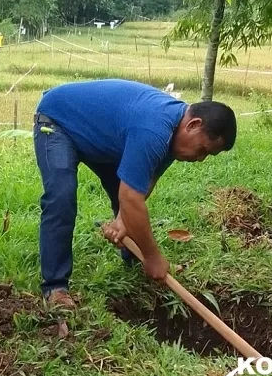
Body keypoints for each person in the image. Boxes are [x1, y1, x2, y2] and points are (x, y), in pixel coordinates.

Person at [32, 79, 237, 308]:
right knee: (61, 196)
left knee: (126, 202)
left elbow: (145, 182)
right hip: (58, 121)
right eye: (202, 150)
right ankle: (55, 288)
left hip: (101, 137)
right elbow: (131, 198)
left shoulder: (174, 135)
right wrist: (153, 256)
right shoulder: (154, 129)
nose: (199, 159)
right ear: (193, 125)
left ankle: (135, 263)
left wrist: (121, 221)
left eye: (207, 156)